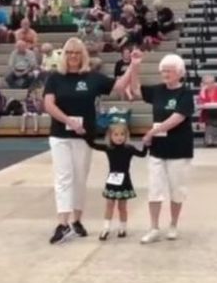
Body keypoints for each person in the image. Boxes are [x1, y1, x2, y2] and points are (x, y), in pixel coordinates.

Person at [43, 38, 142, 244]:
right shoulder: (55, 78)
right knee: (63, 178)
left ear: (83, 55)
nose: (73, 57)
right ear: (64, 55)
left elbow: (119, 85)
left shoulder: (92, 78)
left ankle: (77, 221)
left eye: (77, 53)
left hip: (84, 137)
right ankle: (62, 222)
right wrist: (68, 120)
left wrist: (133, 65)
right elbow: (49, 104)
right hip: (61, 135)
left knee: (80, 178)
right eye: (69, 53)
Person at [129, 54, 194, 244]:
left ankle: (173, 224)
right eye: (163, 70)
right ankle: (154, 227)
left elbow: (177, 118)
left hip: (179, 148)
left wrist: (151, 132)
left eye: (169, 71)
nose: (165, 74)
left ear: (179, 73)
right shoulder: (157, 90)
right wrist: (134, 66)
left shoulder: (186, 93)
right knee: (154, 189)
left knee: (176, 189)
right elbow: (135, 90)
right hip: (157, 148)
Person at [85, 122, 148, 240]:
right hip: (112, 180)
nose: (119, 137)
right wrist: (84, 133)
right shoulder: (108, 148)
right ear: (110, 136)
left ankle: (122, 228)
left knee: (122, 207)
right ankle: (106, 228)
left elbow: (143, 154)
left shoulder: (129, 148)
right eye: (116, 134)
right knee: (109, 204)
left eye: (122, 134)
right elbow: (92, 144)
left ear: (126, 135)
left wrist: (147, 143)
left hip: (124, 180)